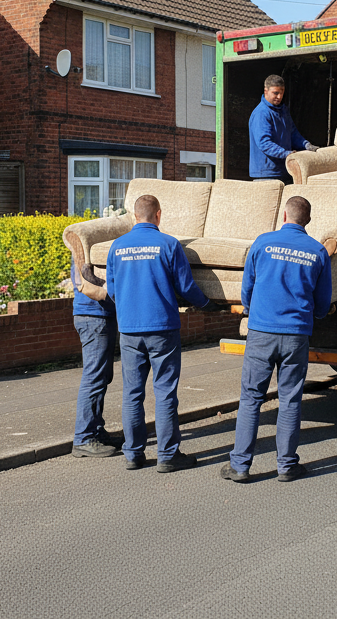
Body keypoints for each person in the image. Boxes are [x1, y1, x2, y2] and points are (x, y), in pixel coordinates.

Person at [105, 194, 221, 472]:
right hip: (162, 328)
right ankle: (168, 455)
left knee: (132, 393)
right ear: (158, 215)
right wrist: (208, 305)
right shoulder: (168, 244)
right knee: (165, 392)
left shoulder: (117, 247)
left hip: (130, 330)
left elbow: (111, 289)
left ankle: (133, 454)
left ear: (134, 217)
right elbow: (186, 286)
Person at [222, 196, 332, 483]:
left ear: (284, 215)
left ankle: (240, 466)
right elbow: (322, 303)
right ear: (307, 220)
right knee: (290, 400)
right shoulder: (318, 251)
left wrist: (251, 309)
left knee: (250, 399)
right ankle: (286, 465)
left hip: (261, 332)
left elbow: (247, 287)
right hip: (296, 335)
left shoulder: (262, 242)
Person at [69, 262, 119, 458]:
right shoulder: (87, 251)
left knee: (102, 376)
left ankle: (96, 431)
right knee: (94, 378)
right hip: (94, 316)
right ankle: (84, 438)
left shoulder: (85, 249)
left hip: (95, 315)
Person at [249, 74, 319, 182]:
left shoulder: (283, 111)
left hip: (284, 172)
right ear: (265, 91)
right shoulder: (261, 113)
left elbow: (293, 134)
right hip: (266, 175)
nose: (279, 97)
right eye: (275, 93)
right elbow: (264, 143)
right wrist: (286, 154)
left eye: (281, 93)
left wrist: (306, 145)